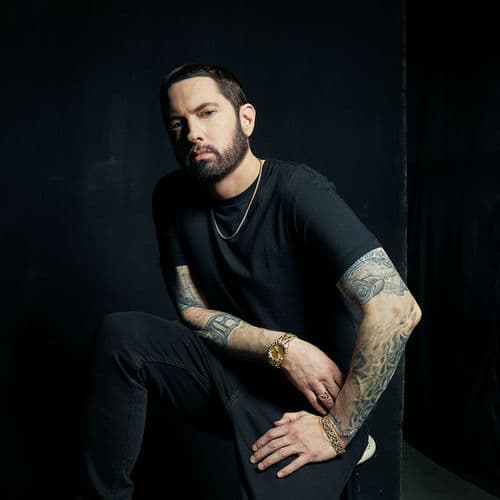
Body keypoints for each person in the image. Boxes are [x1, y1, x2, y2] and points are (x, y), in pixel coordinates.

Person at [75, 63, 422, 500]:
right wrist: (282, 348)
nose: (193, 133)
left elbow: (397, 308)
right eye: (178, 123)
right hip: (232, 374)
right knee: (121, 337)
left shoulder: (299, 191)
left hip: (313, 402)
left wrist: (337, 429)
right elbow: (191, 310)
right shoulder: (171, 197)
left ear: (246, 118)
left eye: (206, 113)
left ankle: (350, 445)